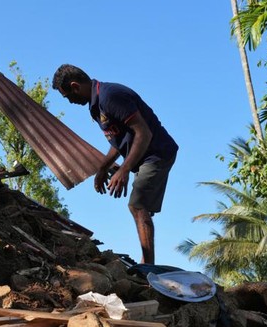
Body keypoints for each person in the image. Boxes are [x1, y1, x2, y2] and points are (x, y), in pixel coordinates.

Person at [53, 64, 178, 265]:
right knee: (139, 207)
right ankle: (146, 262)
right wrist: (103, 169)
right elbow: (118, 143)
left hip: (157, 153)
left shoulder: (110, 96)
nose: (70, 102)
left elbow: (144, 133)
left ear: (75, 86)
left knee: (138, 205)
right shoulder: (96, 106)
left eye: (68, 96)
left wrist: (125, 169)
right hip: (142, 156)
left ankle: (148, 266)